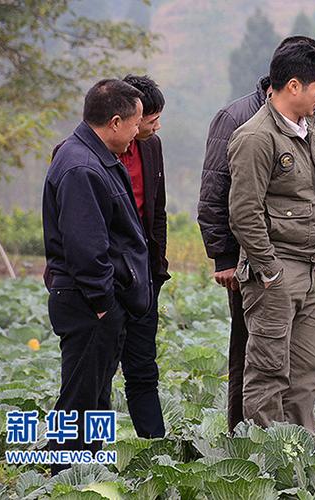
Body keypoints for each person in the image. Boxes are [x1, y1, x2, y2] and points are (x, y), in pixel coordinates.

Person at [198, 36, 315, 432]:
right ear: (294, 85)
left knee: (307, 371)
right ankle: (265, 458)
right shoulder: (255, 136)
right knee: (268, 370)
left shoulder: (312, 128)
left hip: (310, 269)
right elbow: (243, 212)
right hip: (275, 271)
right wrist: (269, 270)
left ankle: (300, 453)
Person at [42, 79, 151, 473]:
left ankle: (84, 475)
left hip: (99, 306)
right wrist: (104, 304)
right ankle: (65, 481)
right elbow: (87, 248)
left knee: (93, 398)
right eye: (136, 123)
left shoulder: (95, 157)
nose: (139, 132)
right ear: (116, 121)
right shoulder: (81, 168)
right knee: (79, 400)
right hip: (89, 306)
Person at [118, 74, 169, 438]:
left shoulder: (151, 148)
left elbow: (158, 211)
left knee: (143, 368)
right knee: (90, 376)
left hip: (144, 277)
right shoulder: (82, 155)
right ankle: (72, 460)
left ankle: (154, 446)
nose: (155, 126)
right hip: (103, 280)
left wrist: (158, 270)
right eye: (150, 120)